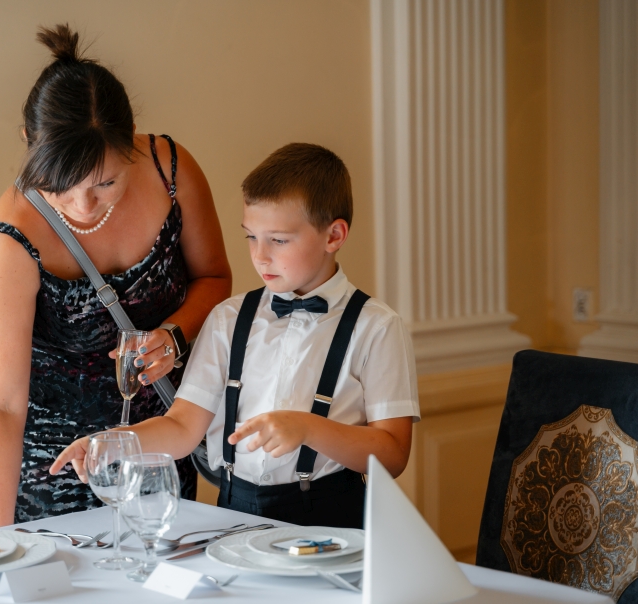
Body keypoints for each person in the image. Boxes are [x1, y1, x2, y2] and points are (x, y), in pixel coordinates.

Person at [50, 143, 419, 528]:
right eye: (251, 237)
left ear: (334, 236)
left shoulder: (377, 327)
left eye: (278, 240)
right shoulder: (228, 318)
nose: (260, 256)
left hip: (332, 519)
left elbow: (393, 455)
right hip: (235, 514)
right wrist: (110, 443)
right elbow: (182, 427)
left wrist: (309, 428)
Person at [0, 24, 232, 527]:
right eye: (60, 186)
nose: (83, 205)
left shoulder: (171, 172)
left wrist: (173, 336)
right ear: (30, 143)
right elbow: (2, 404)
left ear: (131, 139)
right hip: (54, 473)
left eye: (106, 183)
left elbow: (215, 278)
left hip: (157, 457)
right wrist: (0, 539)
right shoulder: (13, 238)